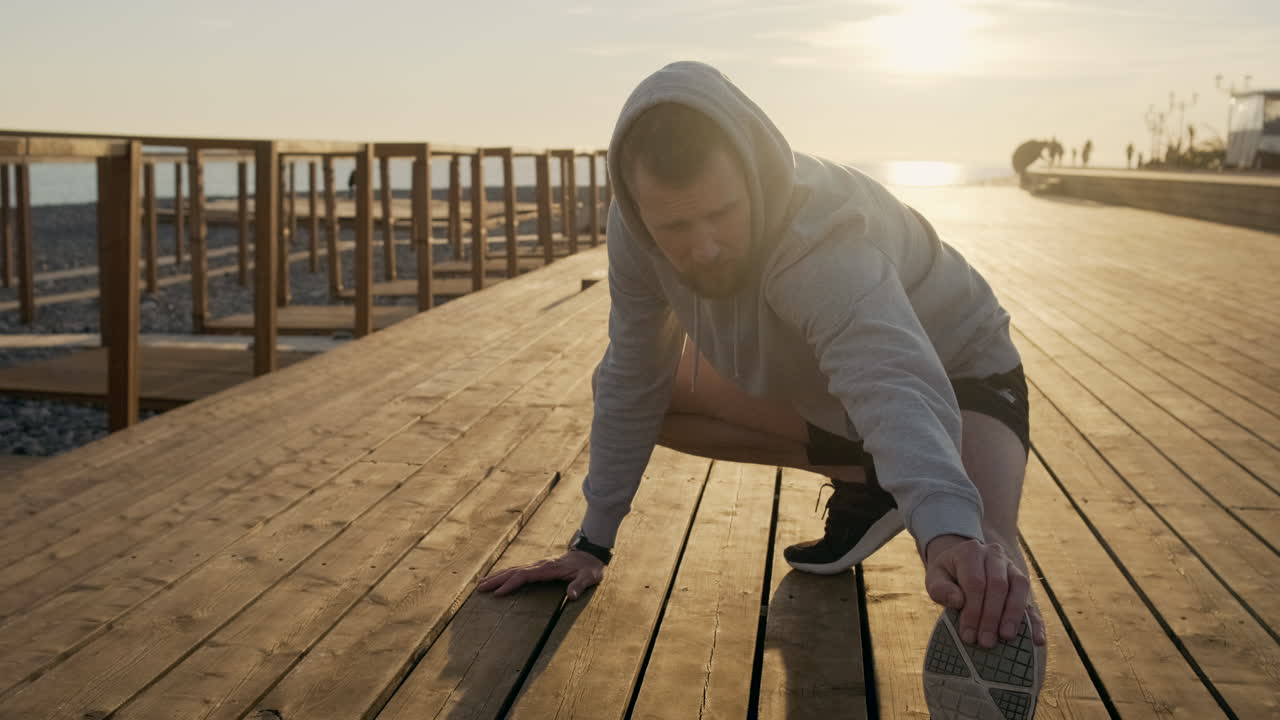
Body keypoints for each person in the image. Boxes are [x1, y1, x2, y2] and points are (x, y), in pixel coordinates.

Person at [477, 61, 1045, 719]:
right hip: (827, 390)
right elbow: (634, 375)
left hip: (960, 372)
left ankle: (970, 560)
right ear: (637, 208)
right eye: (677, 229)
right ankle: (870, 479)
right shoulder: (634, 233)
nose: (706, 247)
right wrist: (591, 542)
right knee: (642, 393)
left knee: (985, 551)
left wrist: (946, 531)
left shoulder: (823, 240)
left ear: (755, 175)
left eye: (721, 214)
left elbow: (890, 380)